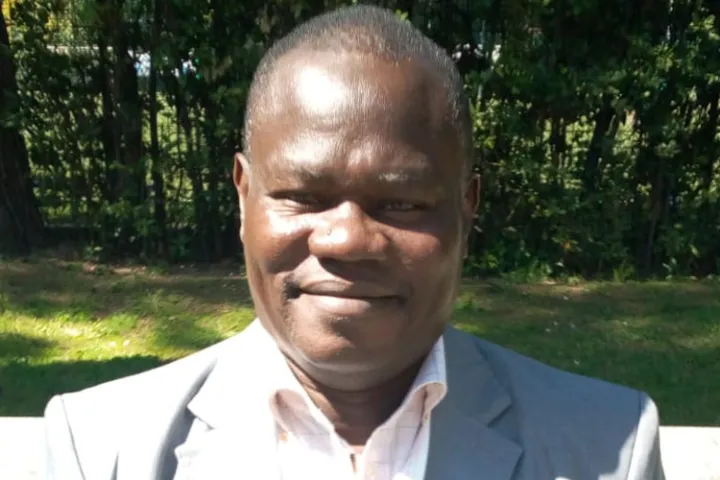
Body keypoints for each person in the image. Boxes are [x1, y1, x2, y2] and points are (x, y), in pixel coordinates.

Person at [43, 5, 665, 480]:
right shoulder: (100, 448)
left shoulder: (607, 446)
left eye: (401, 202)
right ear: (243, 196)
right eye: (301, 197)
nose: (345, 239)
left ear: (466, 208)